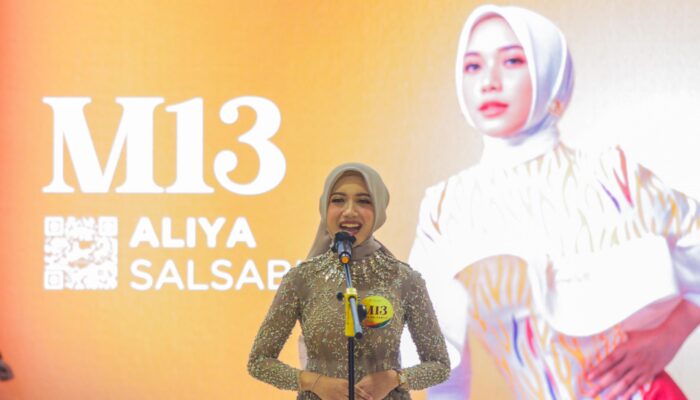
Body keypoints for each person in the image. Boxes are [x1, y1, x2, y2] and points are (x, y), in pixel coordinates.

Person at [407, 4, 700, 399]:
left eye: (512, 60)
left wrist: (670, 335)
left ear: (549, 71)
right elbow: (442, 361)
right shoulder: (444, 209)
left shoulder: (610, 174)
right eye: (473, 66)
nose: (489, 81)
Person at [248, 163, 450, 400]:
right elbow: (259, 361)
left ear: (379, 209)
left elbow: (439, 365)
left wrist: (395, 379)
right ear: (325, 208)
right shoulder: (302, 279)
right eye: (338, 200)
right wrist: (314, 383)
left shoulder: (404, 279)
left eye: (364, 201)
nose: (349, 211)